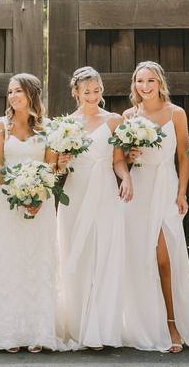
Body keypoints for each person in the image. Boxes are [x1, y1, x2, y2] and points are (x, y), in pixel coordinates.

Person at [121, 61, 189, 353]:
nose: (145, 86)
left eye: (150, 81)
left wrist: (182, 193)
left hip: (166, 187)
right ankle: (150, 324)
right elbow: (122, 159)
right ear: (134, 85)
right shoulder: (128, 116)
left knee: (166, 258)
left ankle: (172, 322)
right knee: (144, 259)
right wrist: (129, 157)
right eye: (140, 81)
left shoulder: (176, 113)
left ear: (160, 83)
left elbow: (183, 157)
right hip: (139, 190)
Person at [0, 74, 61, 353]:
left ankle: (38, 331)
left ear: (31, 95)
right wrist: (17, 190)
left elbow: (51, 165)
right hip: (8, 199)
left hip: (42, 201)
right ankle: (9, 332)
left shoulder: (48, 128)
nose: (13, 96)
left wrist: (37, 195)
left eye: (18, 91)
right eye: (10, 91)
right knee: (9, 259)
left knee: (39, 261)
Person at [56, 66, 132, 350]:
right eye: (86, 91)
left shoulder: (113, 121)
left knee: (105, 254)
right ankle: (78, 325)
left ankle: (103, 327)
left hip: (104, 192)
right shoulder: (65, 125)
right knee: (77, 254)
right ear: (76, 92)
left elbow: (119, 161)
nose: (92, 95)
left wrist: (126, 178)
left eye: (97, 90)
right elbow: (55, 165)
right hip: (76, 192)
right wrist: (61, 163)